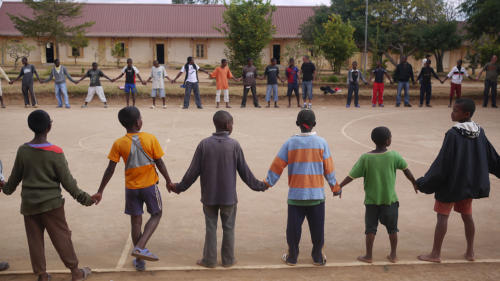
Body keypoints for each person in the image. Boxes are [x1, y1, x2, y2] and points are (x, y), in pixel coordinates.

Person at [0, 110, 93, 281]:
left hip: (29, 205)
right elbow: (68, 182)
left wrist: (5, 188)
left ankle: (42, 275)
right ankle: (75, 272)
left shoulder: (23, 151)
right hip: (52, 205)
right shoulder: (56, 152)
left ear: (31, 127)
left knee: (34, 241)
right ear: (49, 127)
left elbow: (13, 180)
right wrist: (87, 199)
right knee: (62, 237)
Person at [172, 110, 268, 268]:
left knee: (211, 227)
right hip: (229, 197)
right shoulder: (234, 145)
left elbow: (192, 172)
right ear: (228, 125)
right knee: (228, 227)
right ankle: (228, 260)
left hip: (209, 196)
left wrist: (179, 187)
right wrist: (260, 186)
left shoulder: (204, 144)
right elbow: (245, 172)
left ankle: (209, 260)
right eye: (232, 123)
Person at [416, 98, 500, 263]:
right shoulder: (479, 131)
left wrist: (423, 183)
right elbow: (492, 158)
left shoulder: (453, 134)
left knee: (442, 217)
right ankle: (470, 252)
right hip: (469, 183)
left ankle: (435, 254)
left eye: (455, 110)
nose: (452, 112)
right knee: (467, 215)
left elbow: (443, 163)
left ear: (466, 113)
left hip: (452, 184)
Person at [91, 106, 173, 271]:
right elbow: (160, 162)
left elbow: (110, 169)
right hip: (149, 186)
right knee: (156, 214)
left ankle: (140, 261)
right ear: (138, 122)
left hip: (131, 189)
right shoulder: (150, 138)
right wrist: (168, 181)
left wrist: (100, 191)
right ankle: (140, 247)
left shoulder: (119, 143)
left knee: (136, 221)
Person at [264, 110, 340, 266]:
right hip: (316, 196)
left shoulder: (290, 143)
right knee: (317, 229)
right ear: (315, 124)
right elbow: (329, 169)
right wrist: (335, 187)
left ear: (297, 124)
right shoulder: (321, 143)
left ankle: (292, 256)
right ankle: (318, 257)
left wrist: (267, 183)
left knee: (293, 230)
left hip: (296, 196)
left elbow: (277, 165)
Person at [337, 126, 418, 264]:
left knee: (370, 229)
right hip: (390, 201)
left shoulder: (366, 158)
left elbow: (351, 175)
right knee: (393, 229)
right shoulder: (394, 155)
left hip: (372, 202)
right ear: (387, 141)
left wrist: (340, 186)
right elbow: (406, 170)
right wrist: (414, 183)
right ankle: (393, 255)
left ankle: (368, 256)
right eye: (390, 137)